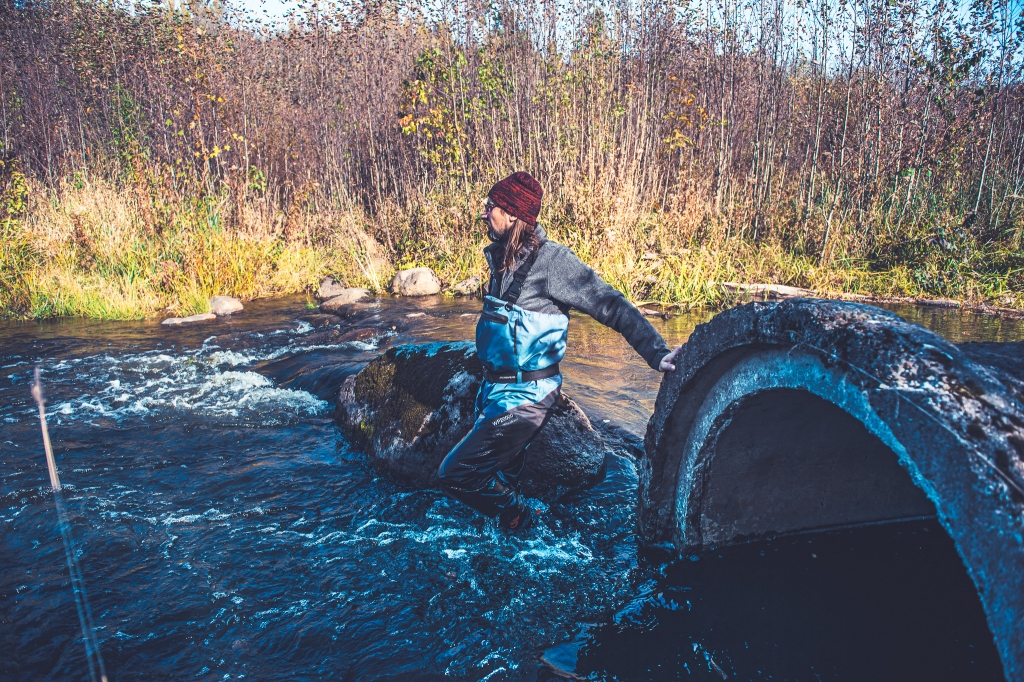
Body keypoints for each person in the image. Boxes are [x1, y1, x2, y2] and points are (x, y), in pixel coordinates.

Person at [437, 171, 683, 530]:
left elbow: (609, 304)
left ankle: (521, 516)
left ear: (510, 212)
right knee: (502, 480)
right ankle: (513, 540)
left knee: (455, 474)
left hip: (526, 398)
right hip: (494, 393)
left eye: (490, 206)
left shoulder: (553, 263)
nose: (484, 214)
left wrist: (656, 353)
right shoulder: (500, 259)